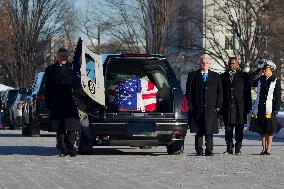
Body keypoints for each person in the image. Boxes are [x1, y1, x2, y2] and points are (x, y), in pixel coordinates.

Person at [44, 47, 80, 157]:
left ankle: (70, 146)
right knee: (60, 127)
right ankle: (61, 146)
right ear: (57, 57)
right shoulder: (50, 70)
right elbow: (47, 88)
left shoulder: (74, 68)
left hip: (71, 102)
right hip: (57, 102)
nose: (63, 58)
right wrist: (48, 102)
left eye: (65, 56)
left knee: (72, 126)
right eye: (61, 56)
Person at [186, 55, 223, 156]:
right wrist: (190, 105)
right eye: (203, 63)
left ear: (209, 64)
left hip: (211, 107)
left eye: (207, 63)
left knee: (209, 130)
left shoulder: (216, 76)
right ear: (200, 63)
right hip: (198, 107)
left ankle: (209, 150)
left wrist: (218, 105)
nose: (205, 65)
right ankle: (199, 150)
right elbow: (189, 92)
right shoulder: (193, 75)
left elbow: (220, 92)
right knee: (199, 130)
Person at [250, 59, 282, 155]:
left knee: (269, 129)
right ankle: (263, 148)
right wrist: (257, 71)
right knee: (261, 129)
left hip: (270, 109)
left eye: (265, 69)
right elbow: (250, 82)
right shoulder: (260, 79)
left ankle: (268, 149)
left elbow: (277, 96)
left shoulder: (275, 80)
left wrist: (276, 109)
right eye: (263, 69)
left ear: (271, 69)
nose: (264, 71)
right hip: (260, 108)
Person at [220, 57, 252, 155]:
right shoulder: (223, 76)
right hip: (227, 106)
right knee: (228, 129)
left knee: (239, 128)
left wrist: (248, 106)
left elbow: (247, 92)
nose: (231, 65)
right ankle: (229, 148)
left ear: (237, 64)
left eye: (233, 63)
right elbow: (220, 92)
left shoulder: (243, 76)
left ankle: (238, 148)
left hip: (240, 107)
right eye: (230, 63)